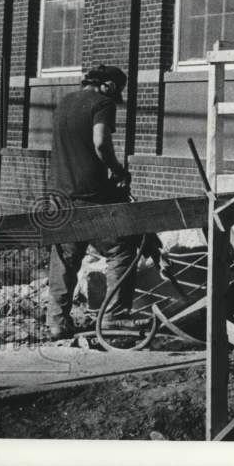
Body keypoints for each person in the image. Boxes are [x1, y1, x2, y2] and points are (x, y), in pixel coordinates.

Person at [46, 64, 143, 340]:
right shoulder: (101, 103)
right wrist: (118, 169)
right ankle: (113, 317)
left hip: (61, 195)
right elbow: (100, 142)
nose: (117, 97)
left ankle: (56, 323)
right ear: (110, 86)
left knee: (64, 257)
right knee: (123, 247)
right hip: (91, 195)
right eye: (118, 92)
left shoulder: (65, 102)